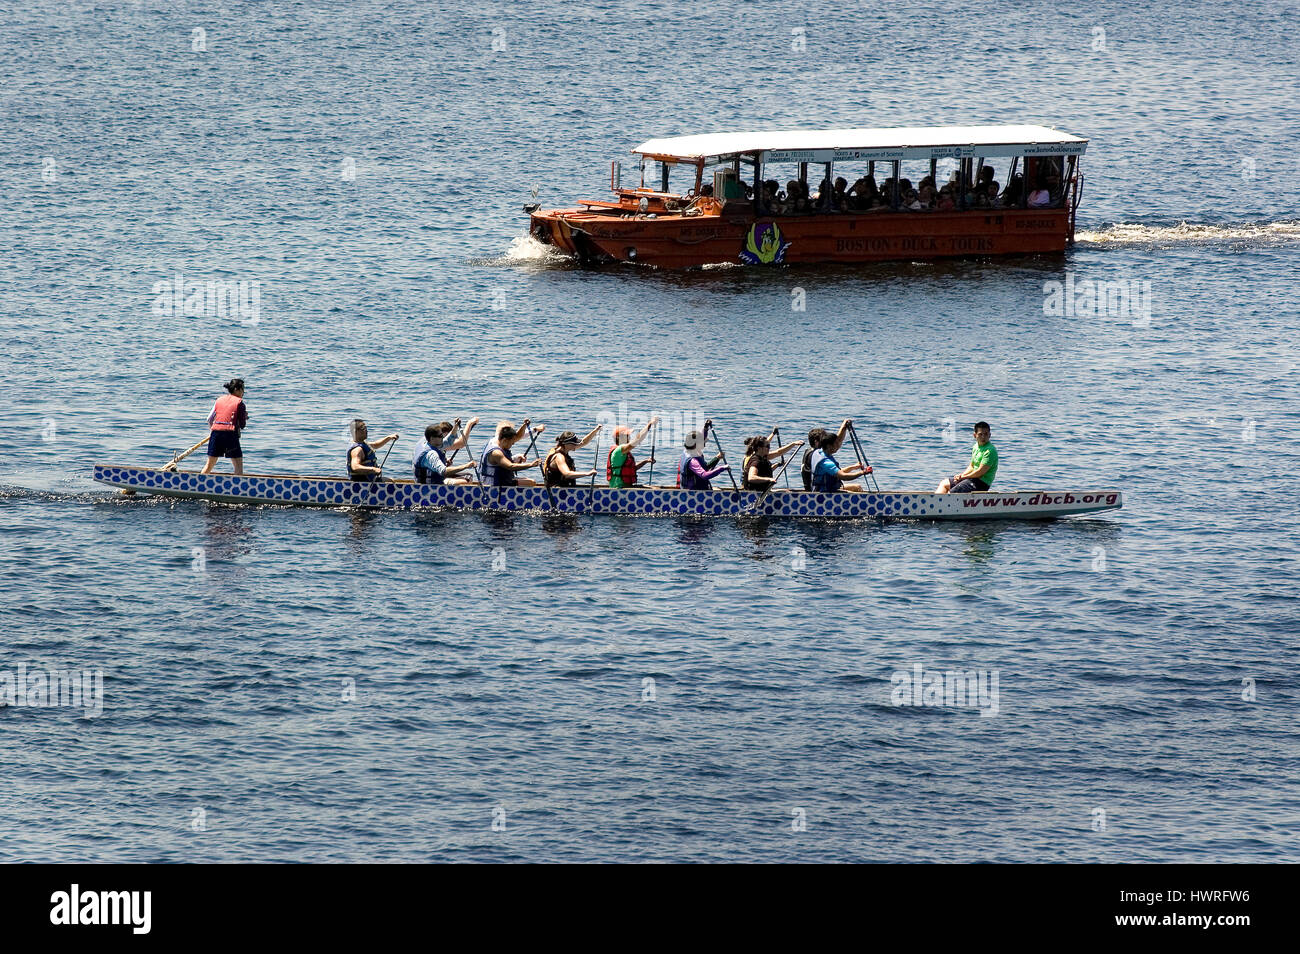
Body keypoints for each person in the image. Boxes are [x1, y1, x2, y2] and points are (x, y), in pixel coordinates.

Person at [200, 378, 248, 475]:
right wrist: (244, 417)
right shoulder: (240, 403)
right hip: (230, 435)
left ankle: (198, 483)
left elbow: (209, 419)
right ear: (236, 389)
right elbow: (242, 425)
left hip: (216, 434)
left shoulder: (219, 400)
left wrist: (214, 431)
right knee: (238, 466)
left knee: (209, 464)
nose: (243, 392)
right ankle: (237, 488)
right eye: (243, 389)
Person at [479, 419, 545, 487]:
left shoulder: (499, 440)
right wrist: (531, 464)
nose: (512, 445)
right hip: (494, 486)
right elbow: (510, 466)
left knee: (529, 481)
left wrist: (525, 425)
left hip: (501, 480)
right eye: (511, 443)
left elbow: (518, 436)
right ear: (505, 440)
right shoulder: (496, 452)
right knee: (531, 483)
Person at [413, 418, 480, 485]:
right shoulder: (431, 454)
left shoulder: (428, 442)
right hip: (429, 487)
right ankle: (447, 484)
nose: (442, 438)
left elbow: (449, 440)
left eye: (442, 435)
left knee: (468, 476)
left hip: (429, 479)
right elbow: (444, 471)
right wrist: (466, 465)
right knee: (467, 479)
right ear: (432, 438)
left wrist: (456, 426)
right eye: (440, 436)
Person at [937, 421, 998, 493]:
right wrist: (962, 475)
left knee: (952, 493)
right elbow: (972, 466)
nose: (983, 437)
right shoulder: (976, 446)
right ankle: (934, 502)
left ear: (989, 435)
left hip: (981, 483)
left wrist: (964, 477)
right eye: (980, 434)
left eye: (986, 434)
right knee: (944, 483)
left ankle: (943, 501)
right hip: (972, 478)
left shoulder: (990, 451)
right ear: (975, 435)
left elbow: (980, 472)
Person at [809, 425, 871, 492]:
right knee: (857, 495)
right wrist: (863, 472)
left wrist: (853, 467)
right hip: (824, 495)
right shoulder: (826, 462)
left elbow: (837, 472)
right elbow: (843, 476)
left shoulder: (819, 452)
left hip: (822, 490)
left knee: (857, 488)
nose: (838, 446)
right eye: (836, 444)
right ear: (829, 446)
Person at [607, 417, 658, 488]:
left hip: (626, 487)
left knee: (655, 488)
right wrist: (649, 424)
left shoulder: (624, 452)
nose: (629, 438)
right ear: (619, 438)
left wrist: (645, 461)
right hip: (619, 489)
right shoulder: (619, 450)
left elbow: (632, 468)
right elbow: (637, 440)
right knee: (655, 490)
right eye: (627, 436)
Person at [676, 423, 729, 490]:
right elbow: (704, 475)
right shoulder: (692, 461)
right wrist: (722, 468)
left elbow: (705, 467)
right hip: (694, 493)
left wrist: (705, 428)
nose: (704, 444)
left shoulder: (688, 450)